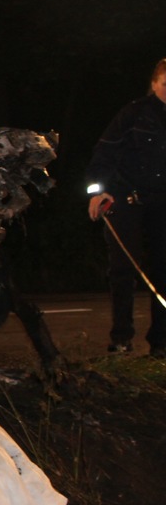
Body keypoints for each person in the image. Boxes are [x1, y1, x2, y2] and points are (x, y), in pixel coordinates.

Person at [86, 57, 166, 357]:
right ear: (155, 83)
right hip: (126, 197)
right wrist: (97, 191)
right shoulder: (133, 114)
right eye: (165, 84)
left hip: (163, 202)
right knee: (122, 270)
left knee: (163, 270)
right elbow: (104, 153)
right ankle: (121, 339)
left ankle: (161, 342)